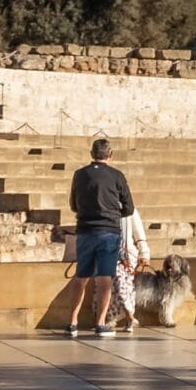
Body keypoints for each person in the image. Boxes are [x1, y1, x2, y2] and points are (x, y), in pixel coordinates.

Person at [64, 138, 134, 339]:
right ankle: (101, 323)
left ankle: (72, 322)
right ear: (110, 155)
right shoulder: (117, 176)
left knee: (81, 276)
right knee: (105, 277)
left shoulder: (80, 175)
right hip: (109, 232)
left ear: (91, 153)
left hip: (85, 230)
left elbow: (74, 205)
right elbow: (128, 207)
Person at [105, 206, 153, 333]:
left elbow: (139, 234)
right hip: (107, 253)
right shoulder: (104, 205)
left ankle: (128, 317)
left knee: (124, 284)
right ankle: (127, 316)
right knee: (119, 283)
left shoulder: (129, 209)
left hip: (127, 256)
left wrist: (144, 253)